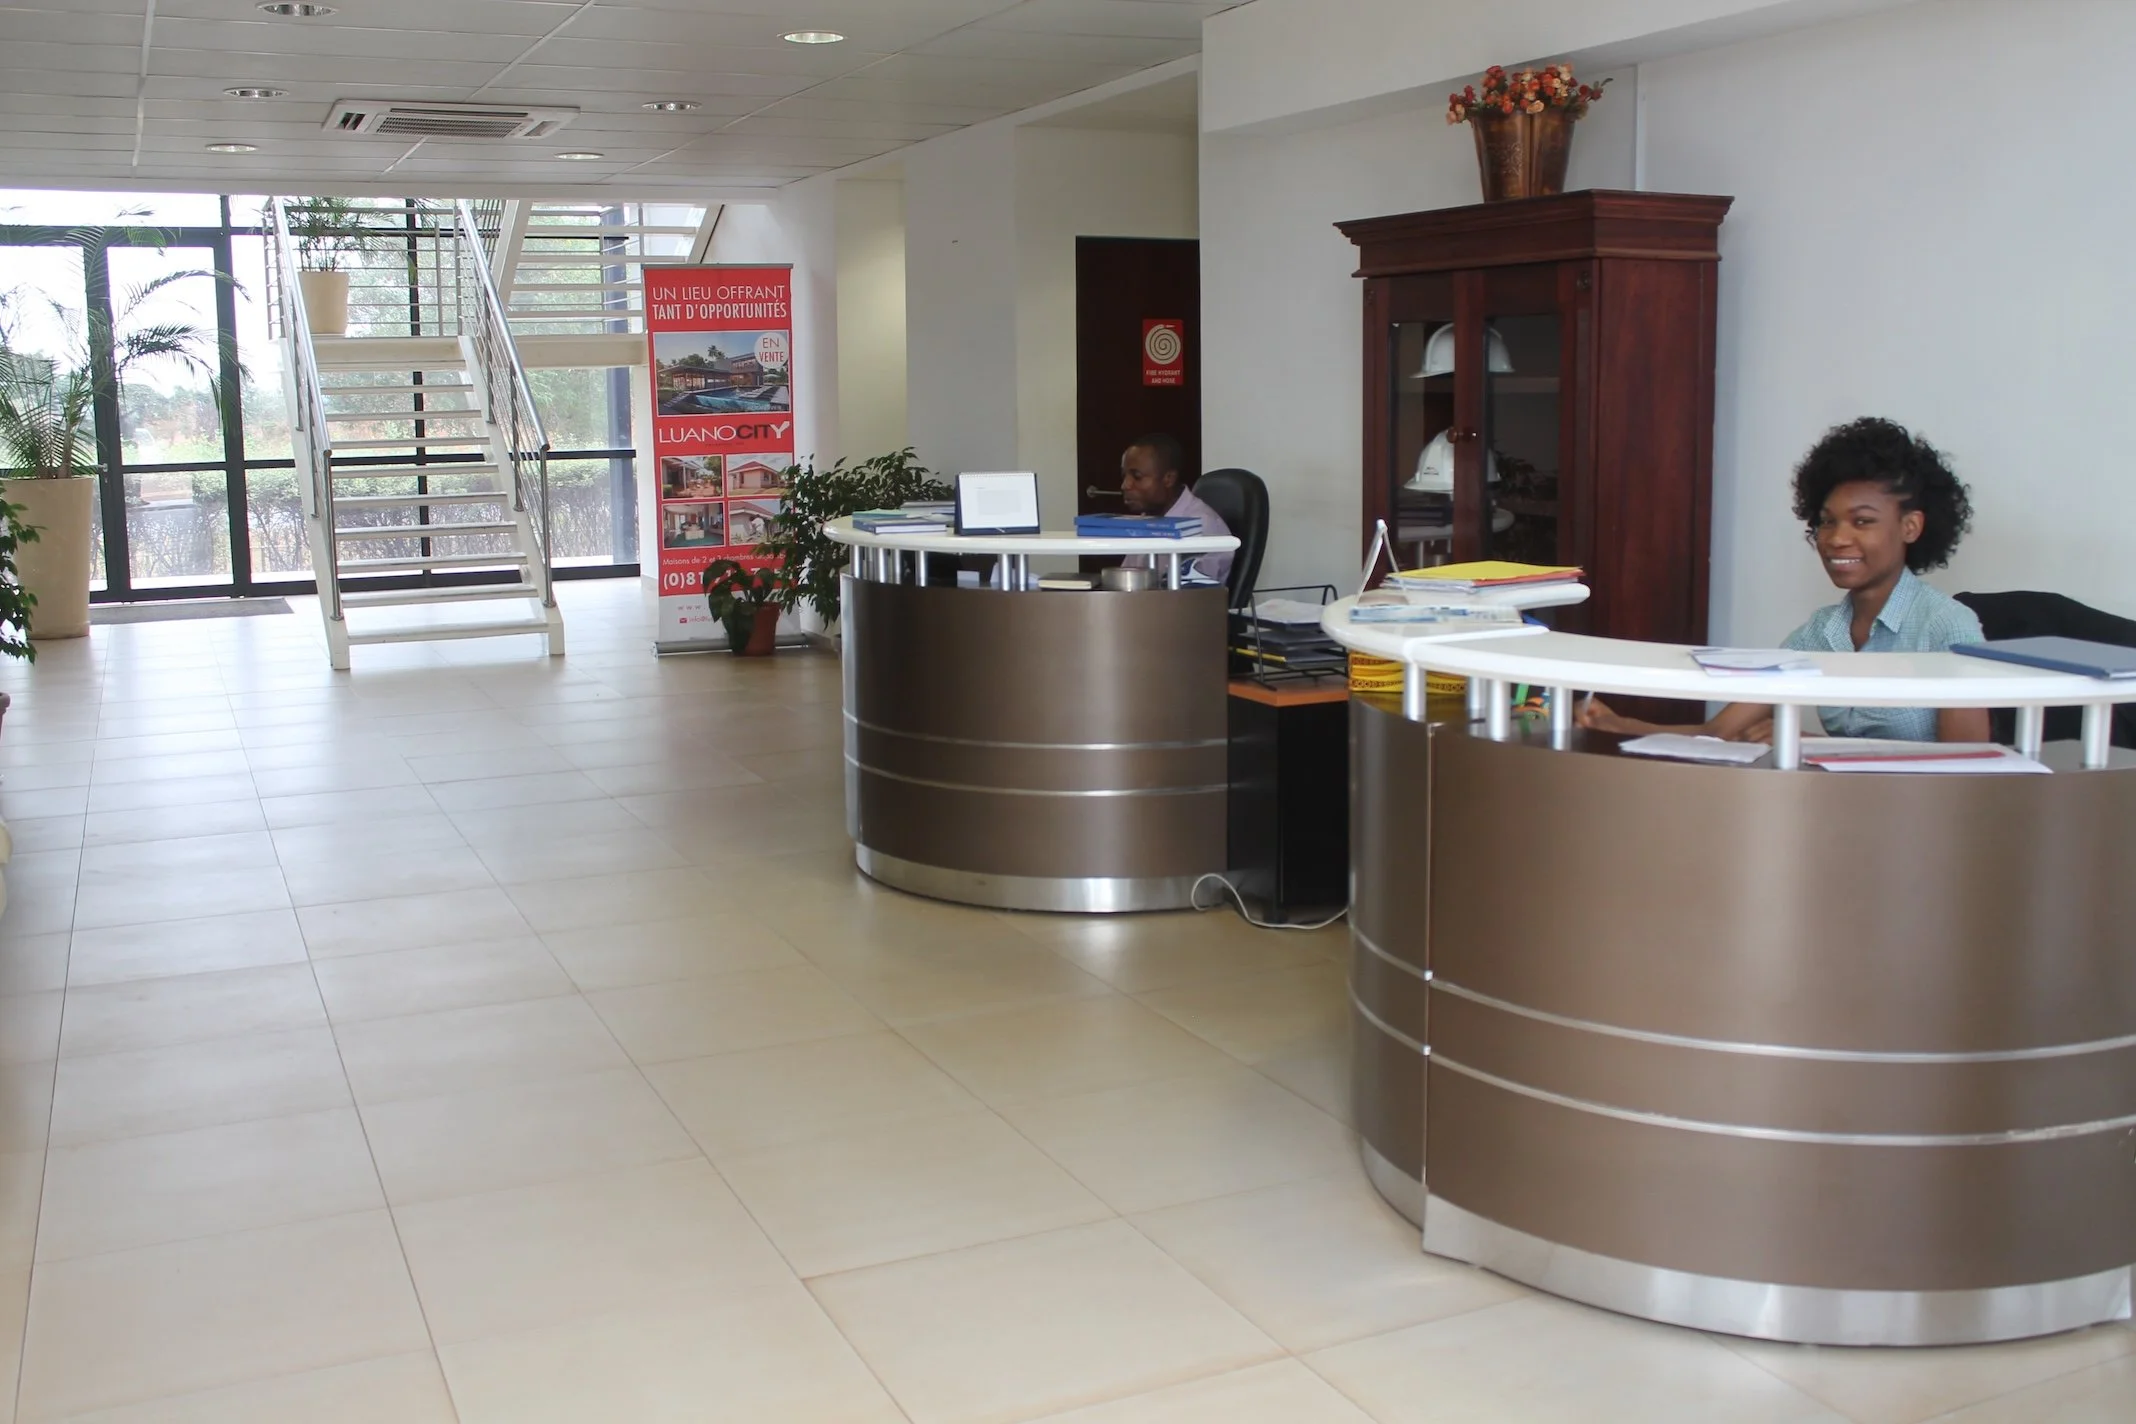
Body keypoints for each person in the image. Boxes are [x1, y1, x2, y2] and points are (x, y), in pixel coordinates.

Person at [1580, 416, 1991, 744]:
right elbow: (1718, 734)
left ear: (1911, 527)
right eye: (1827, 522)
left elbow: (1965, 772)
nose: (1836, 538)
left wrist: (1815, 746)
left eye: (1862, 521)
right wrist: (1623, 725)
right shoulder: (1817, 635)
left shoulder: (1946, 626)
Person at [1119, 433, 1232, 585]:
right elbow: (1126, 581)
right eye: (1124, 476)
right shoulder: (1147, 519)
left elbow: (1188, 600)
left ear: (1169, 479)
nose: (1125, 485)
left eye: (1137, 477)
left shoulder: (1201, 526)